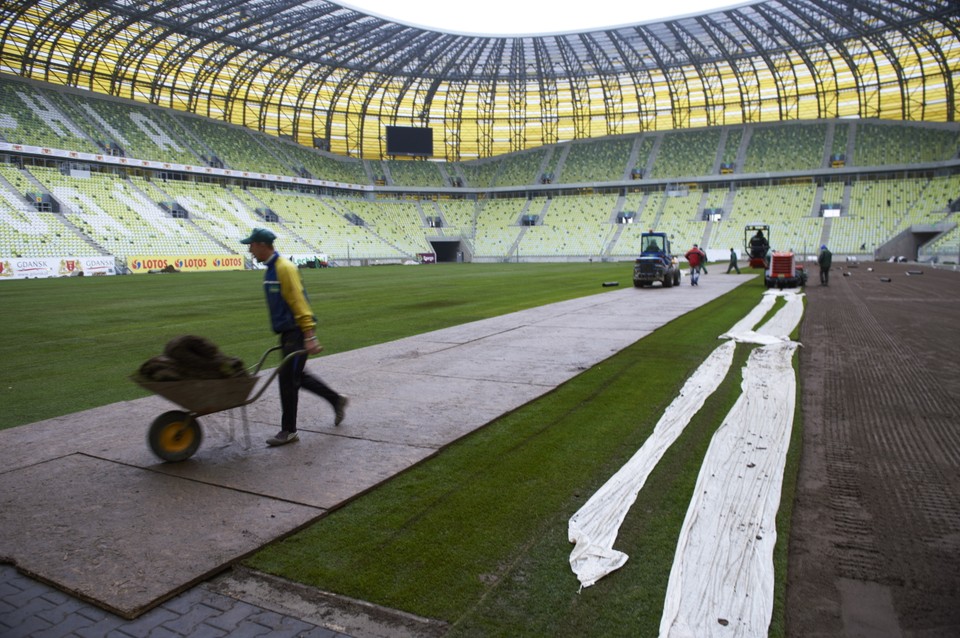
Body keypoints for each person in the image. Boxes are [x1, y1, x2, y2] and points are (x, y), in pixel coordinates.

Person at [241, 228, 347, 446]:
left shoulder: (284, 268)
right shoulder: (271, 269)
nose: (249, 250)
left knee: (287, 379)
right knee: (297, 376)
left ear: (262, 245)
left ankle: (289, 431)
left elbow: (299, 302)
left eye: (251, 245)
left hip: (296, 332)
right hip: (287, 333)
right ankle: (336, 400)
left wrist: (309, 335)